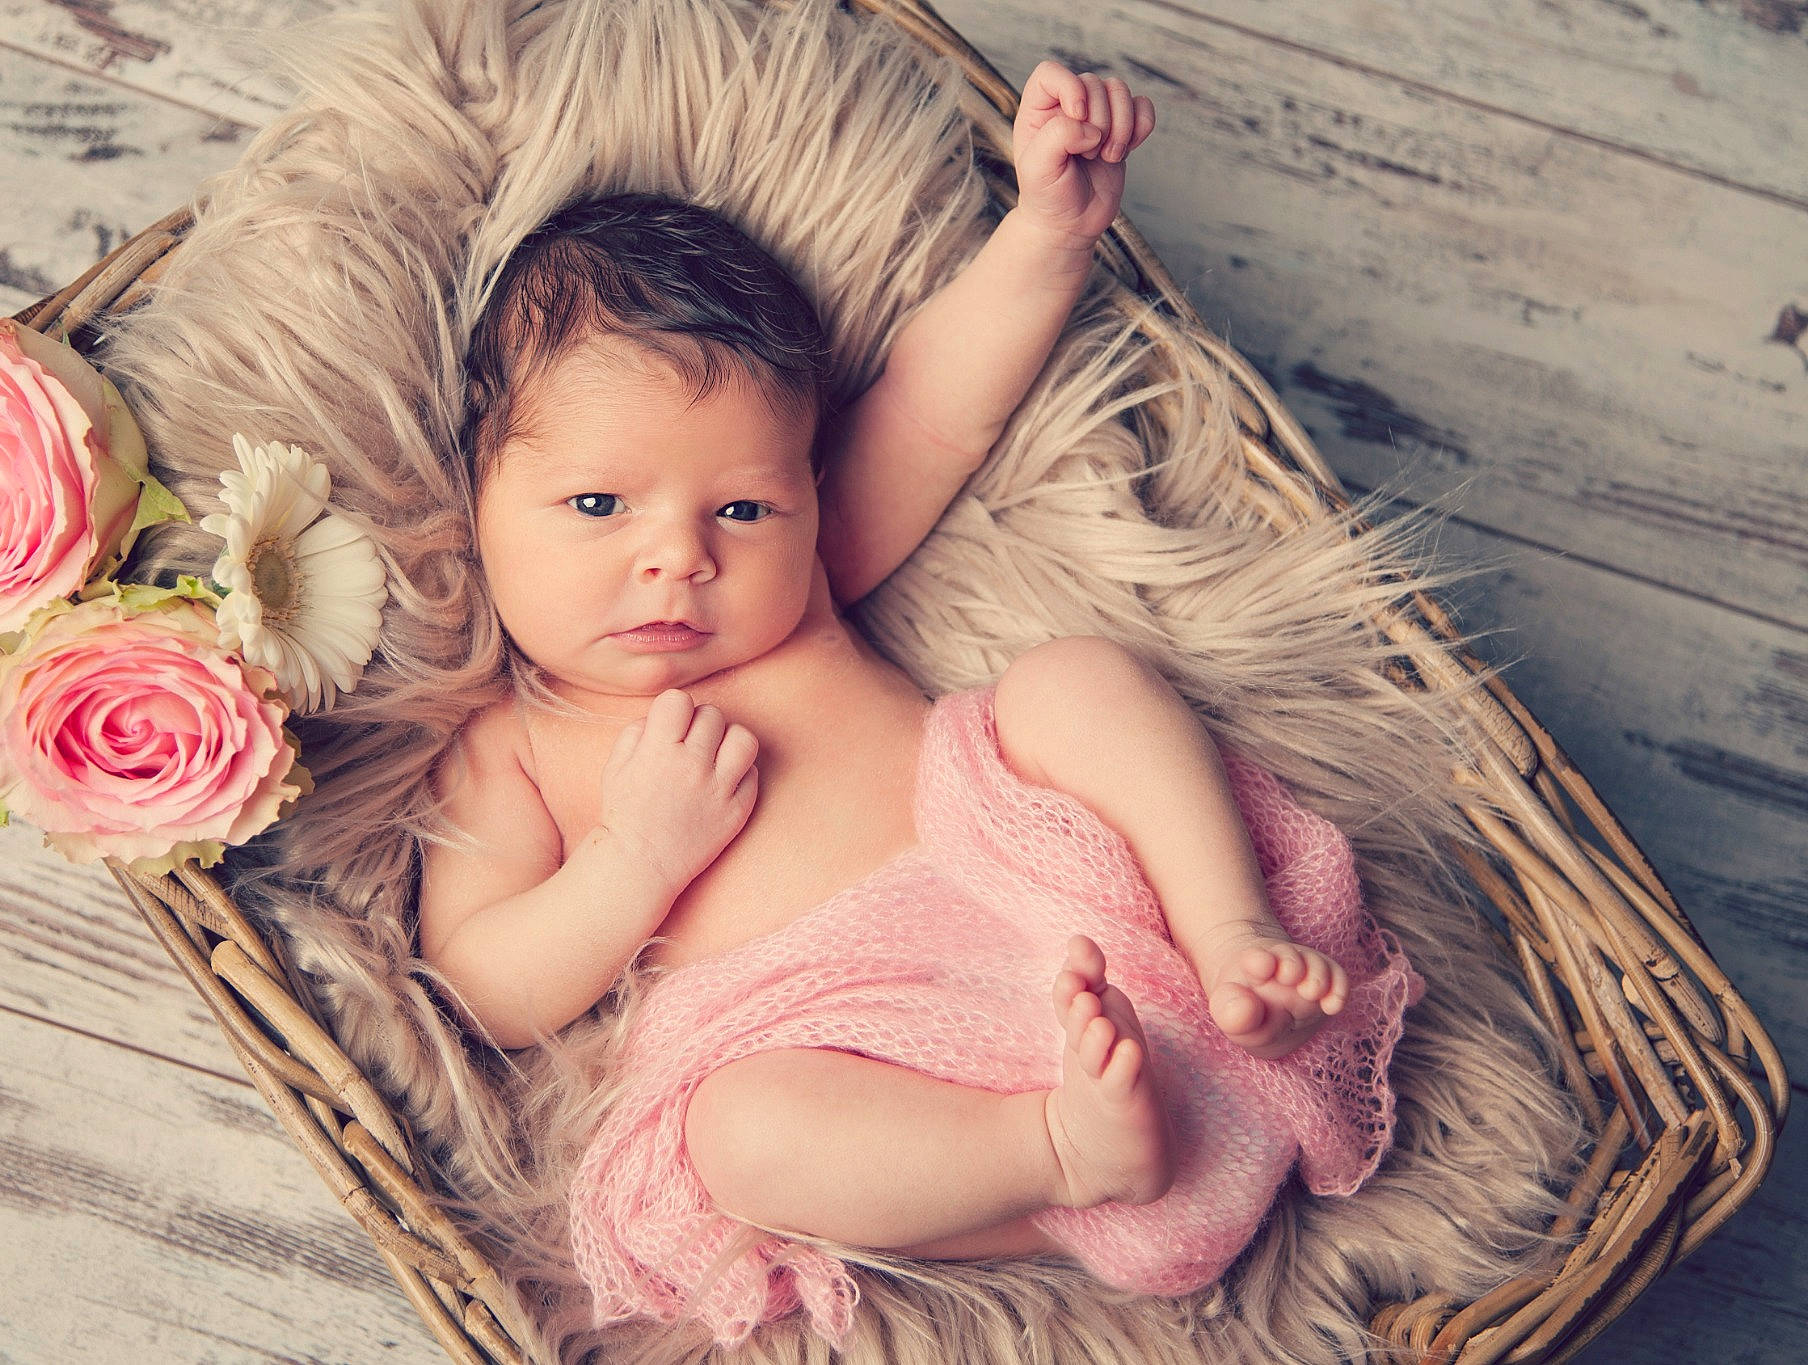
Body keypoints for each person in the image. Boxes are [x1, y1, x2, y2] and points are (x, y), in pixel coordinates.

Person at [417, 60, 1420, 1347]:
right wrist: (632, 861)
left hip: (1052, 901)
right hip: (853, 1037)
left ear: (800, 498)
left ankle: (1230, 930)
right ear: (475, 496)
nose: (680, 556)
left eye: (740, 507)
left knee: (1072, 681)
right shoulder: (510, 751)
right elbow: (480, 987)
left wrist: (1048, 233)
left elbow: (935, 408)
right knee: (738, 1135)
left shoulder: (809, 585)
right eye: (598, 506)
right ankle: (1053, 1151)